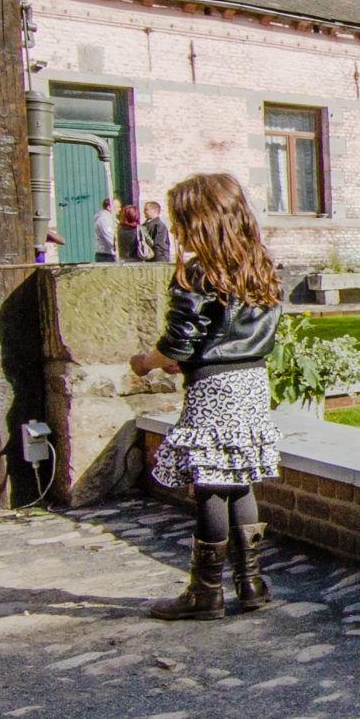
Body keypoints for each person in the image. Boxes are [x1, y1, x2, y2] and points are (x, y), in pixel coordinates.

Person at [128, 172, 284, 621]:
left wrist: (145, 362)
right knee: (239, 480)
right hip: (251, 383)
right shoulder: (261, 267)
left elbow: (178, 341)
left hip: (214, 388)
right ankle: (251, 584)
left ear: (199, 221)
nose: (175, 230)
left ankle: (205, 592)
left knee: (211, 487)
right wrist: (193, 356)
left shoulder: (198, 273)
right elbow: (233, 334)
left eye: (179, 221)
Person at [93, 196, 121, 262]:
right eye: (117, 207)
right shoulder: (104, 220)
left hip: (111, 253)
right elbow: (110, 238)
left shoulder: (112, 219)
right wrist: (121, 247)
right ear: (109, 207)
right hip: (106, 255)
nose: (119, 209)